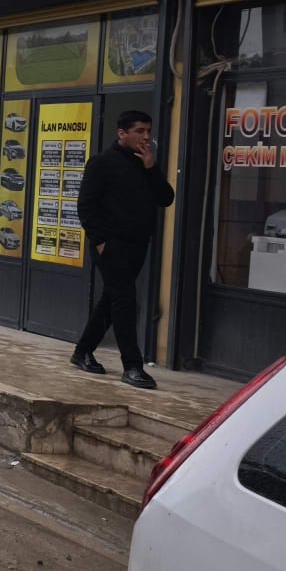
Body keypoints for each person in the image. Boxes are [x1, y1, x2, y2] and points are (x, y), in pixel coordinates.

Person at [72, 109, 175, 389]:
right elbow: (86, 206)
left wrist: (152, 167)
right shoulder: (102, 163)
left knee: (112, 300)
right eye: (139, 131)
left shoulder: (146, 163)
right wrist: (101, 241)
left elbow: (166, 198)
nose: (145, 137)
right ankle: (132, 366)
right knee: (126, 301)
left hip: (138, 245)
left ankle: (82, 352)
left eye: (148, 132)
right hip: (111, 245)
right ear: (122, 133)